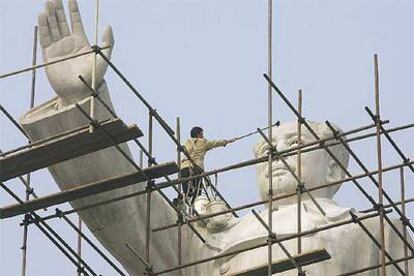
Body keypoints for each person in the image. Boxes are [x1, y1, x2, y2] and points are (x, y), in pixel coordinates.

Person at [19, 1, 413, 275]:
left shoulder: (380, 233)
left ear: (332, 166)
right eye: (265, 152)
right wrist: (83, 99)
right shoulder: (219, 247)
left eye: (292, 148)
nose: (273, 158)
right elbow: (129, 213)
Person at [180, 126, 235, 203]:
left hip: (184, 169)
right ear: (198, 135)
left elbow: (193, 150)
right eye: (202, 134)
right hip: (195, 169)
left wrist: (205, 149)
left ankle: (181, 203)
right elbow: (215, 143)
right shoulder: (202, 142)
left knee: (186, 193)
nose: (203, 136)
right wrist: (226, 142)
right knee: (197, 195)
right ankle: (195, 210)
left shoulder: (187, 143)